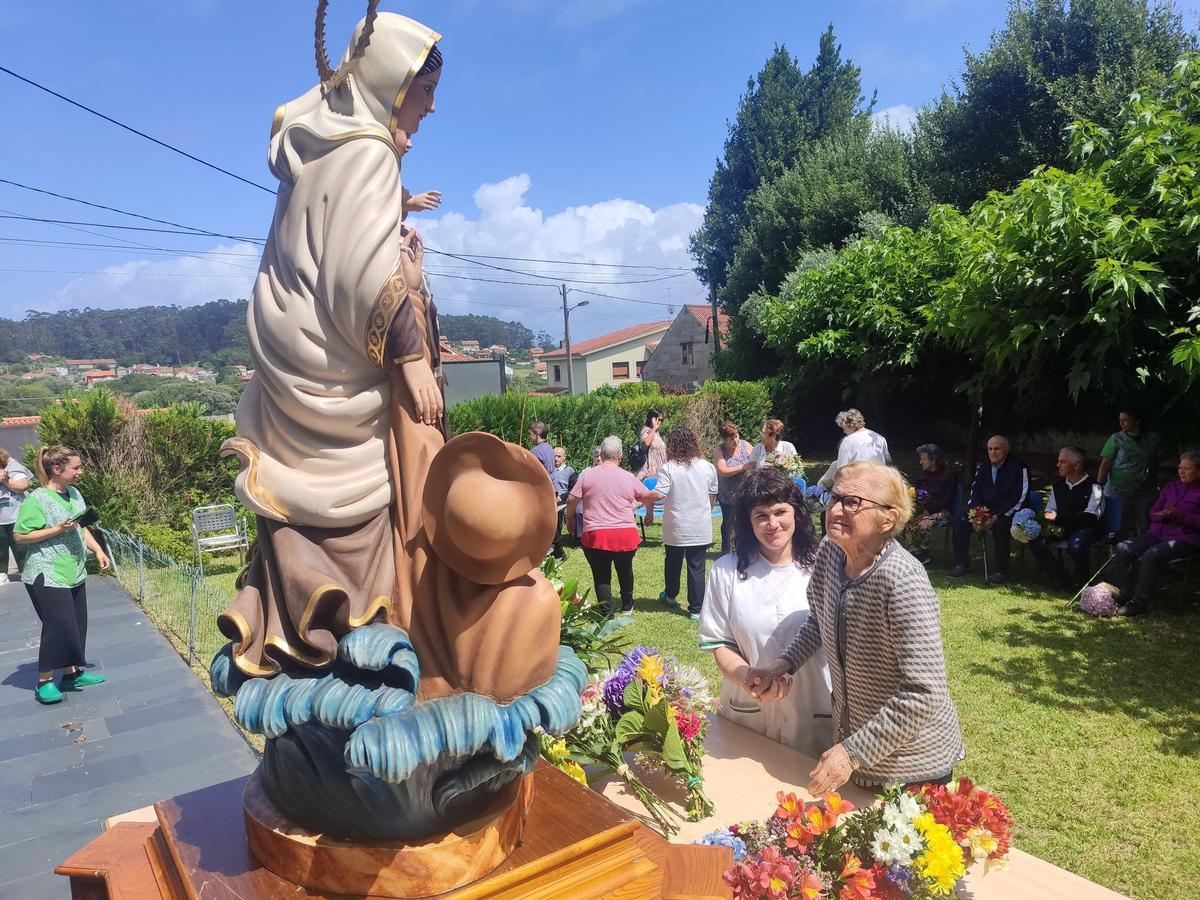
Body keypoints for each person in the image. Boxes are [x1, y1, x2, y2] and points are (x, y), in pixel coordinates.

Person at [218, 14, 563, 704]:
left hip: (303, 368)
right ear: (392, 82)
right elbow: (359, 275)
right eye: (424, 90)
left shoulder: (323, 151)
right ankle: (383, 648)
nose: (430, 107)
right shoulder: (368, 152)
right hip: (343, 374)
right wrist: (409, 360)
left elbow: (338, 256)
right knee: (399, 493)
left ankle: (316, 633)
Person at [747, 462, 963, 794]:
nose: (835, 510)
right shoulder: (830, 552)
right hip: (856, 754)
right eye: (835, 498)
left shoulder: (903, 581)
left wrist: (852, 753)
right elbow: (818, 620)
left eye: (852, 502)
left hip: (912, 768)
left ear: (887, 518)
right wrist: (783, 664)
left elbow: (924, 693)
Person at [698, 469, 834, 758]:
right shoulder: (726, 571)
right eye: (761, 515)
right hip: (748, 712)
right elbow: (720, 643)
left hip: (813, 709)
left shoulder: (825, 566)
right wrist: (748, 677)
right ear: (748, 521)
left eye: (780, 512)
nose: (772, 524)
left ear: (796, 513)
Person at [13, 446, 110, 704]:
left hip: (73, 570)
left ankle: (71, 675)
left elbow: (81, 527)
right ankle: (44, 682)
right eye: (76, 467)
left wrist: (98, 549)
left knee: (76, 625)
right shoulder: (37, 499)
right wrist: (56, 529)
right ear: (57, 469)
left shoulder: (74, 493)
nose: (80, 471)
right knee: (58, 626)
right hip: (46, 572)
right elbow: (20, 536)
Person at [567, 436, 655, 617]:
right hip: (625, 534)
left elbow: (571, 499)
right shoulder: (628, 476)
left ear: (602, 454)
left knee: (601, 574)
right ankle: (627, 604)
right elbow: (646, 496)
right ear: (620, 455)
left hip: (596, 534)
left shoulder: (587, 475)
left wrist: (570, 518)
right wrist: (649, 512)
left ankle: (607, 613)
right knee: (625, 569)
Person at [1111, 450, 1200, 616]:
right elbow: (1153, 511)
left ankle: (1138, 602)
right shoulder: (1172, 487)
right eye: (1180, 468)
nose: (1181, 472)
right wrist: (1160, 515)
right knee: (1122, 548)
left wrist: (1178, 515)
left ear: (1198, 471)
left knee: (1152, 554)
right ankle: (1124, 593)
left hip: (1186, 539)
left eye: (1187, 469)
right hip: (1157, 535)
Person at [653, 427, 719, 619]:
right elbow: (712, 497)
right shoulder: (708, 467)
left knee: (672, 563)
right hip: (700, 525)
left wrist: (640, 497)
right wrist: (703, 512)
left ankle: (671, 596)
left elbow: (659, 494)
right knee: (697, 567)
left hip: (676, 525)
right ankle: (696, 610)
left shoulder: (668, 468)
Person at [949, 435, 1029, 584]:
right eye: (990, 449)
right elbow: (975, 491)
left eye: (997, 449)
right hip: (985, 511)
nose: (993, 452)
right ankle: (962, 564)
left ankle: (1001, 571)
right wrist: (977, 515)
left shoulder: (1018, 467)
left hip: (1008, 512)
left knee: (1000, 527)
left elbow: (1020, 496)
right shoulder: (985, 466)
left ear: (1006, 450)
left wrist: (998, 515)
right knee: (961, 520)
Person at [1030, 447, 1105, 588]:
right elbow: (1049, 512)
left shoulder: (1095, 488)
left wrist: (1058, 518)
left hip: (1086, 529)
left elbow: (1089, 518)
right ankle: (1060, 578)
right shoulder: (1058, 486)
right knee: (1034, 538)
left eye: (1062, 462)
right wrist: (1056, 518)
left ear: (1076, 465)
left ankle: (1082, 581)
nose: (1057, 465)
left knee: (1076, 546)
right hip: (1062, 527)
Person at [1097, 409, 1165, 537]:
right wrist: (1099, 484)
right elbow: (1106, 462)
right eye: (1120, 420)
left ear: (1137, 421)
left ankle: (1143, 547)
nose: (1121, 423)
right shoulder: (1116, 439)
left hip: (1145, 489)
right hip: (1118, 489)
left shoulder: (1153, 438)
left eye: (1125, 420)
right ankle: (1117, 548)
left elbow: (1164, 454)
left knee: (1144, 522)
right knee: (1118, 523)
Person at [902, 443, 957, 564]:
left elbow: (945, 499)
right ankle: (912, 552)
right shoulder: (922, 475)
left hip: (943, 511)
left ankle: (923, 554)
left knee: (924, 523)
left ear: (934, 460)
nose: (920, 462)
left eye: (923, 458)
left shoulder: (948, 476)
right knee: (907, 519)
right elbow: (916, 494)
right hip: (924, 509)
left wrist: (928, 511)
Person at [816, 408, 891, 489]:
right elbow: (887, 461)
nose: (844, 432)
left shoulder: (847, 441)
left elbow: (842, 471)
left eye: (844, 428)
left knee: (835, 467)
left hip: (858, 485)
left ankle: (820, 489)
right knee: (835, 464)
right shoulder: (880, 438)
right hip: (879, 484)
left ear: (850, 426)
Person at [713, 422, 754, 554]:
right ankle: (726, 551)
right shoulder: (719, 450)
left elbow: (757, 462)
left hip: (746, 492)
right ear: (725, 439)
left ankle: (746, 549)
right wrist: (743, 467)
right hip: (728, 494)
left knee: (747, 521)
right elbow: (722, 470)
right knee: (728, 523)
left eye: (736, 436)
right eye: (731, 439)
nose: (736, 440)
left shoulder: (746, 446)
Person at [0, 447, 33, 579]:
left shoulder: (13, 466)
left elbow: (23, 486)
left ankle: (27, 571)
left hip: (17, 515)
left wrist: (5, 480)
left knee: (21, 546)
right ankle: (1, 573)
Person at [636, 409, 667, 526]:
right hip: (650, 470)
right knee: (645, 496)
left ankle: (651, 514)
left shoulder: (657, 434)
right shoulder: (646, 431)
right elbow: (646, 444)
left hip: (660, 469)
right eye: (659, 419)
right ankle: (647, 514)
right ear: (653, 419)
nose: (660, 422)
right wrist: (653, 428)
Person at [549, 446, 576, 560]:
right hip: (548, 500)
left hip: (562, 501)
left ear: (564, 457)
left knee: (557, 517)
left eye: (559, 456)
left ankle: (558, 550)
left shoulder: (569, 471)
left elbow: (574, 489)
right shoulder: (549, 469)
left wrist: (562, 497)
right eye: (554, 456)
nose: (556, 458)